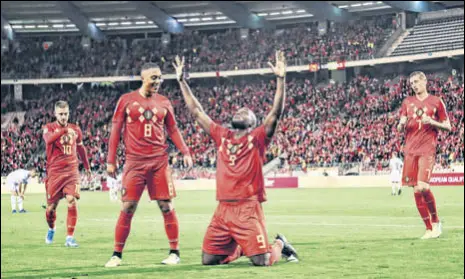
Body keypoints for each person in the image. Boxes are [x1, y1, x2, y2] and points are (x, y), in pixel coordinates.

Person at [173, 51, 298, 266]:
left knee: (263, 261)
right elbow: (196, 111)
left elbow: (276, 113)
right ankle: (242, 247)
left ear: (252, 122)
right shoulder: (222, 135)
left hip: (247, 207)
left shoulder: (257, 137)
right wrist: (182, 81)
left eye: (246, 112)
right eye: (239, 110)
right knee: (209, 260)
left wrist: (281, 79)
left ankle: (280, 244)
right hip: (223, 209)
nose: (241, 111)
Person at [105, 63, 193, 267]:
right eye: (154, 77)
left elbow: (173, 129)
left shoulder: (164, 102)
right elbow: (116, 131)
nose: (158, 81)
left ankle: (174, 252)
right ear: (142, 78)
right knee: (127, 207)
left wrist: (185, 151)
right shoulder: (126, 101)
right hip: (134, 162)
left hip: (158, 162)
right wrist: (111, 160)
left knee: (166, 205)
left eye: (160, 77)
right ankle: (116, 254)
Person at [397, 71, 452, 240]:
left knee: (423, 186)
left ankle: (436, 221)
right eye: (411, 82)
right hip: (410, 150)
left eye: (416, 81)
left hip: (427, 149)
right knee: (415, 190)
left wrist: (432, 122)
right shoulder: (407, 102)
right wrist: (401, 124)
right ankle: (428, 229)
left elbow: (448, 126)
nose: (414, 85)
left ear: (424, 81)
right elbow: (400, 127)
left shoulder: (436, 102)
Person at [42, 100, 91, 247]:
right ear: (55, 114)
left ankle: (69, 237)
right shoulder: (48, 128)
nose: (64, 117)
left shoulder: (76, 129)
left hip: (71, 171)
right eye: (61, 114)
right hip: (55, 172)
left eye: (66, 114)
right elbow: (48, 140)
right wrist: (63, 131)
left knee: (71, 200)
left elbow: (81, 149)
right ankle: (51, 228)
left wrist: (87, 167)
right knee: (51, 208)